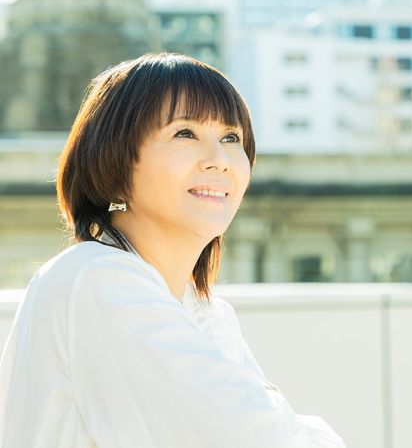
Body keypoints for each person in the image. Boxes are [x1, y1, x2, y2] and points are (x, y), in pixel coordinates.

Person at [0, 52, 346, 448]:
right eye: (185, 133)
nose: (219, 161)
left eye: (231, 138)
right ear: (115, 160)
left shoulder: (205, 311)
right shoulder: (97, 280)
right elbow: (256, 437)